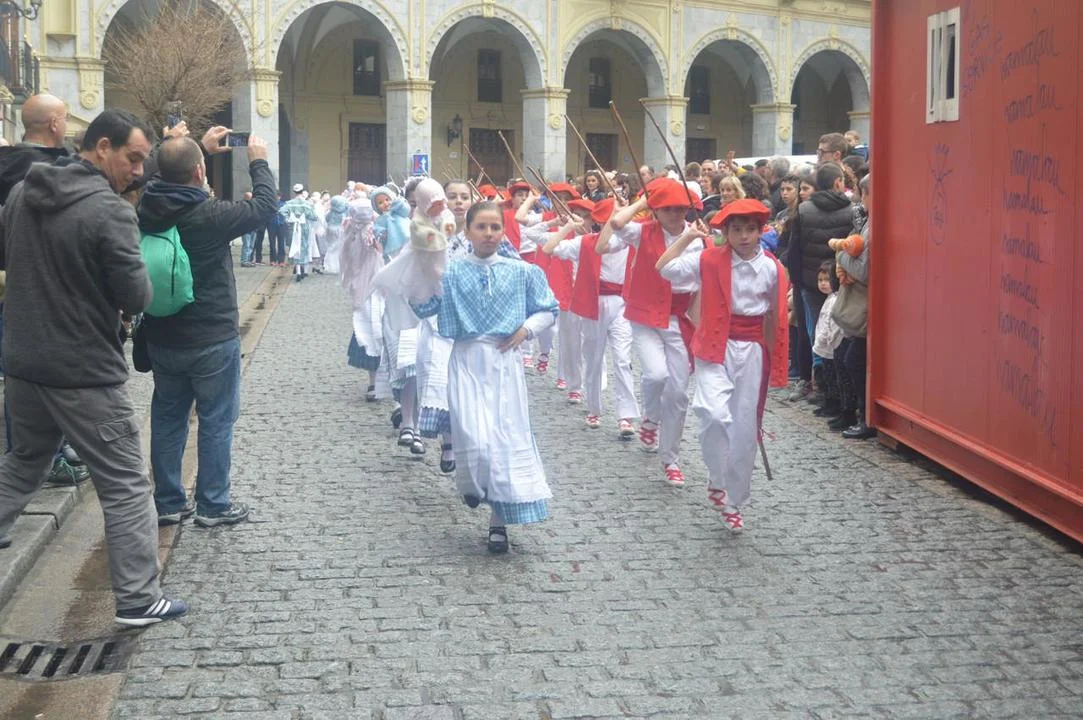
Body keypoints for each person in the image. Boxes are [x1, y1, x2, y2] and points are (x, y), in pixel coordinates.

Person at [0, 109, 188, 626]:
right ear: (102, 147)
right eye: (133, 158)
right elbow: (137, 295)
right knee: (126, 483)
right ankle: (138, 598)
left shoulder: (22, 194)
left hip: (24, 360)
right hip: (84, 369)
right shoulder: (109, 212)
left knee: (25, 459)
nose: (139, 170)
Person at [138, 129, 277, 528]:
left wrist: (194, 148)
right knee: (216, 419)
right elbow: (265, 206)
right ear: (200, 172)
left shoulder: (145, 207)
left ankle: (168, 502)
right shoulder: (210, 215)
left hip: (163, 334)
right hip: (212, 335)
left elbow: (155, 173)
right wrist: (257, 160)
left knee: (168, 416)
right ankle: (213, 504)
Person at [411, 202, 558, 553]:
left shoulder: (521, 272)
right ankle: (474, 485)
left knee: (503, 439)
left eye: (495, 227)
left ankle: (498, 522)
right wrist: (419, 273)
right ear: (468, 231)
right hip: (465, 358)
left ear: (503, 231)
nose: (489, 234)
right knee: (473, 436)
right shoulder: (451, 272)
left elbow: (548, 308)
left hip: (504, 362)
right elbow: (423, 307)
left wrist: (526, 330)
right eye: (481, 227)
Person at [656, 199, 788, 532]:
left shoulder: (773, 268)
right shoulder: (708, 259)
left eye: (750, 230)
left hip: (752, 351)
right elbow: (664, 268)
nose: (744, 237)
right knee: (713, 414)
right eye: (736, 230)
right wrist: (687, 238)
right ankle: (717, 478)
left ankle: (733, 501)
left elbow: (775, 315)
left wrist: (773, 358)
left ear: (761, 231)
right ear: (725, 233)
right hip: (714, 346)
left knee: (744, 427)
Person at [0, 94, 92, 485]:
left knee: (21, 373)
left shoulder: (7, 163)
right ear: (55, 124)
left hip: (13, 280)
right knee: (49, 372)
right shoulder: (53, 169)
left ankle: (37, 450)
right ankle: (45, 455)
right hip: (47, 282)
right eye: (64, 119)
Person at [601, 178, 702, 487]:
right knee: (656, 375)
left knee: (679, 392)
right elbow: (616, 223)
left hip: (678, 318)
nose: (674, 214)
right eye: (667, 208)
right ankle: (650, 419)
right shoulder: (643, 231)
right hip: (645, 315)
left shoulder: (697, 238)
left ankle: (671, 458)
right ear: (657, 210)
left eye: (680, 208)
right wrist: (644, 202)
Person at [544, 197, 639, 437]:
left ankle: (626, 416)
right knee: (594, 359)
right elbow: (549, 249)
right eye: (608, 220)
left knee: (622, 358)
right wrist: (566, 227)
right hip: (593, 305)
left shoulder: (630, 241)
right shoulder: (584, 242)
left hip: (622, 304)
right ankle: (594, 409)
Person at [789, 163, 853, 407]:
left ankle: (816, 383)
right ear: (838, 182)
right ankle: (835, 389)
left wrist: (798, 281)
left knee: (814, 332)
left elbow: (794, 250)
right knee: (839, 334)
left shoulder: (804, 210)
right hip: (842, 280)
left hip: (810, 281)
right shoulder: (851, 210)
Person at [832, 173, 875, 440]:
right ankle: (855, 413)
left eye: (863, 194)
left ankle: (865, 416)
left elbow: (864, 270)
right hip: (863, 302)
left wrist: (840, 255)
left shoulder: (872, 225)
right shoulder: (868, 221)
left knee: (852, 359)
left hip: (866, 304)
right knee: (845, 355)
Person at [281, 184, 319, 281]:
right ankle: (304, 270)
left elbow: (281, 211)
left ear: (294, 192)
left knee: (295, 247)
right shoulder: (307, 204)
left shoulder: (289, 203)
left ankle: (298, 271)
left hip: (293, 228)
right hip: (304, 228)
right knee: (304, 247)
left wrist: (289, 219)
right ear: (302, 191)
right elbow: (314, 216)